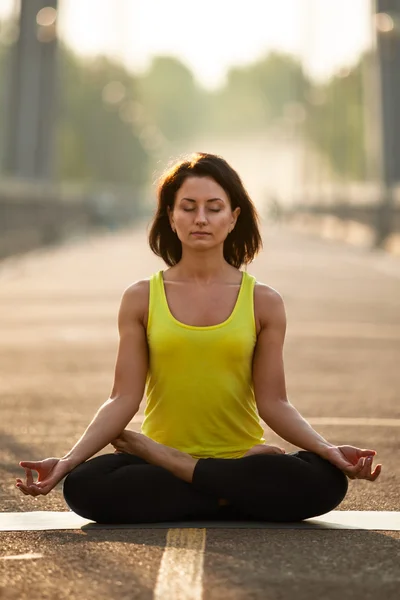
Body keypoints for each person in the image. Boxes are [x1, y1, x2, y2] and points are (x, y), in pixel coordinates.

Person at [16, 152, 382, 524]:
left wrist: (327, 450)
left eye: (214, 208)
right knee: (84, 485)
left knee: (326, 480)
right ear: (171, 217)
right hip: (185, 465)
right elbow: (123, 397)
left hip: (227, 456)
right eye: (188, 208)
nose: (201, 219)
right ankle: (229, 492)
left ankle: (186, 471)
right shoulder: (141, 297)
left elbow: (274, 402)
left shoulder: (264, 302)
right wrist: (67, 461)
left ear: (234, 217)